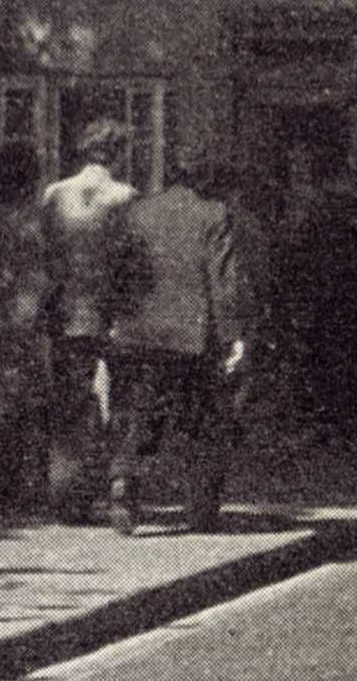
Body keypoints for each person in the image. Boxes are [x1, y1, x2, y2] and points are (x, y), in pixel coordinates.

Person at [103, 160, 252, 536]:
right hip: (191, 337)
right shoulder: (214, 215)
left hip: (136, 333)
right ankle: (201, 510)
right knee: (202, 422)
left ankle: (124, 474)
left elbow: (117, 271)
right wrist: (233, 337)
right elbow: (224, 281)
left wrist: (113, 321)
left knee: (141, 412)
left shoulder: (135, 212)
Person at [40, 122, 139, 518]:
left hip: (68, 311)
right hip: (114, 314)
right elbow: (134, 262)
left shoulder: (55, 194)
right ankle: (119, 479)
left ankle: (69, 494)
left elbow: (47, 256)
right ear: (118, 154)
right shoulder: (126, 197)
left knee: (71, 400)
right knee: (123, 399)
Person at [0, 140, 54, 510]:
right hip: (30, 312)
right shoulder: (39, 220)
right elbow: (49, 269)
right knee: (30, 399)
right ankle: (26, 483)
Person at [280, 165, 357, 448]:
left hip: (323, 302)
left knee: (322, 361)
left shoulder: (316, 214)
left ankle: (325, 421)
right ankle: (348, 424)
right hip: (352, 301)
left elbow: (296, 256)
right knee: (350, 362)